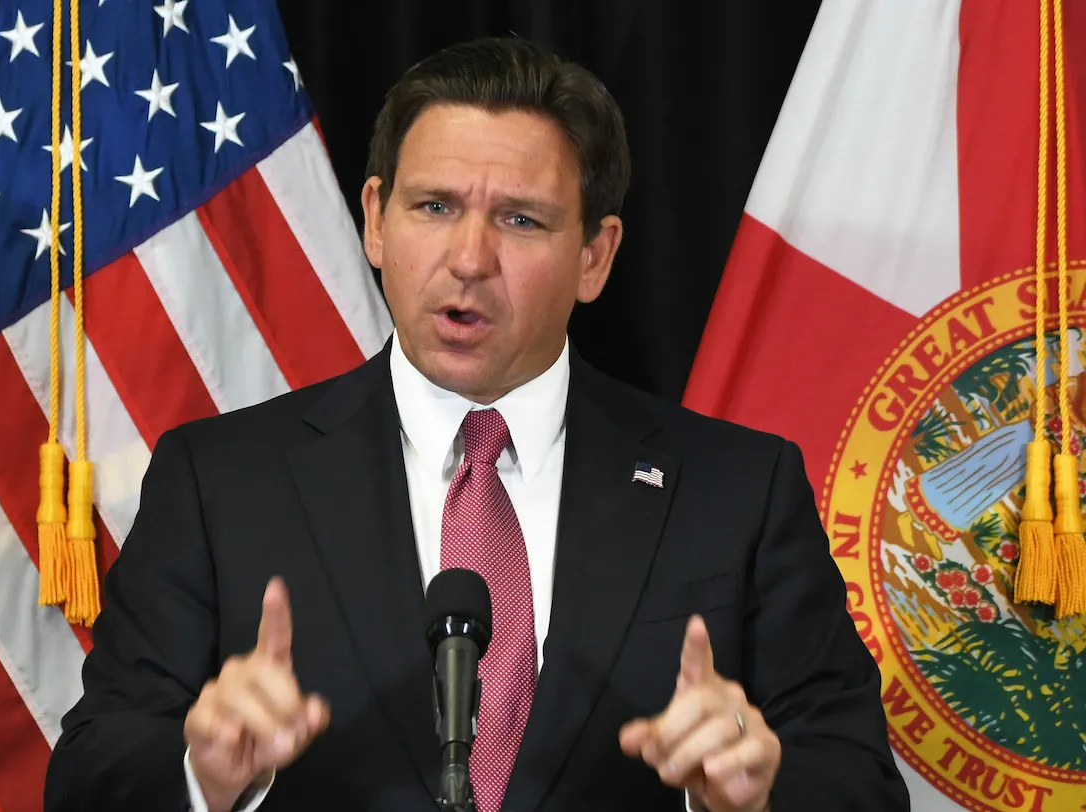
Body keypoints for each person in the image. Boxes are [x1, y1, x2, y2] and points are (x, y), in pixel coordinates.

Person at [44, 36, 909, 812]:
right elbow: (88, 776)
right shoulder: (220, 481)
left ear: (596, 256)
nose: (468, 259)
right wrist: (205, 775)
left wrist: (754, 792)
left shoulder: (737, 490)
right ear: (375, 220)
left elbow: (859, 780)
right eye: (434, 207)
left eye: (520, 220)